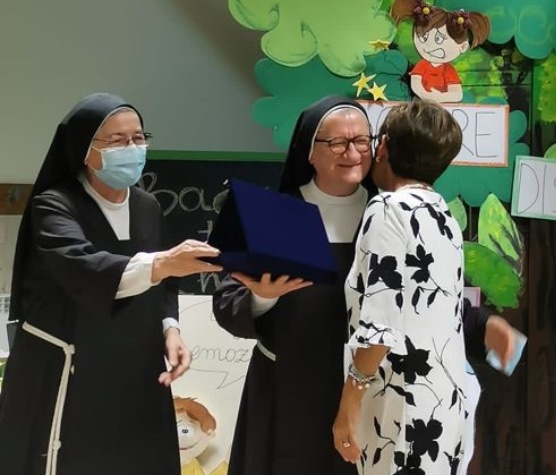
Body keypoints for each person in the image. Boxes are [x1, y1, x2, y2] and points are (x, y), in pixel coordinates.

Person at [212, 96, 515, 475]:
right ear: (308, 151)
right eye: (337, 142)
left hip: (369, 396)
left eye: (361, 140)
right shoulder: (275, 214)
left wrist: (484, 325)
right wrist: (261, 297)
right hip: (289, 392)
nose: (353, 152)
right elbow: (226, 305)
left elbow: (420, 297)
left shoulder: (390, 212)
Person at [0, 92, 222, 475]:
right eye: (117, 141)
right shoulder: (54, 205)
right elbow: (83, 269)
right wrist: (164, 263)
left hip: (136, 368)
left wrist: (170, 328)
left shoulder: (147, 205)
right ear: (84, 150)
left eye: (138, 138)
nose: (132, 149)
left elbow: (162, 284)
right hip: (70, 366)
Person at [333, 99, 472, 473]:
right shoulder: (444, 216)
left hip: (399, 404)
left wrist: (349, 404)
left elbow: (381, 326)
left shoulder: (388, 209)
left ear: (384, 146)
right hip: (443, 404)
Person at [390, 0, 491, 103]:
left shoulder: (448, 70)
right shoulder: (422, 65)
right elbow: (416, 84)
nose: (429, 46)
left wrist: (439, 97)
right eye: (423, 37)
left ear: (463, 47)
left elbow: (457, 94)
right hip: (422, 104)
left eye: (439, 39)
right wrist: (425, 96)